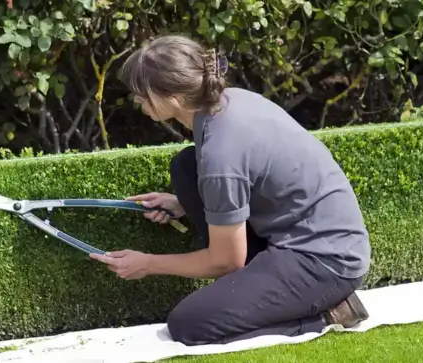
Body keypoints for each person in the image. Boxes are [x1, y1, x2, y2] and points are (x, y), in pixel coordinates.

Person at [88, 34, 371, 346]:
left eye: (141, 94)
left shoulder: (220, 154)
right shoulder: (229, 102)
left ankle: (327, 314)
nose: (137, 101)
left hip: (325, 261)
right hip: (306, 235)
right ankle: (266, 289)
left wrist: (148, 263)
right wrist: (181, 203)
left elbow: (226, 261)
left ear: (174, 97)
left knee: (189, 324)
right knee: (186, 166)